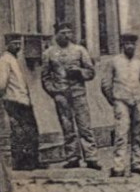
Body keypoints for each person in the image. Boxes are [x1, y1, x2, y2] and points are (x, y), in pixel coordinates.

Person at [40, 24, 101, 170]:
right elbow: (45, 77)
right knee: (67, 127)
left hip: (78, 93)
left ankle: (91, 157)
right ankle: (72, 157)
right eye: (63, 33)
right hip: (61, 94)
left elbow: (91, 72)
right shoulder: (49, 53)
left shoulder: (79, 50)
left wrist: (80, 71)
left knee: (84, 125)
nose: (66, 36)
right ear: (56, 34)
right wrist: (54, 93)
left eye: (69, 32)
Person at [98, 33, 140, 177]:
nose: (130, 46)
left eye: (132, 44)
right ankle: (118, 165)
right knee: (121, 132)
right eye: (127, 44)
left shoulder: (139, 63)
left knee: (139, 133)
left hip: (138, 100)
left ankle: (137, 163)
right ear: (122, 45)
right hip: (121, 101)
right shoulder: (114, 62)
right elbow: (106, 84)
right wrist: (114, 100)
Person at [0, 33, 39, 171]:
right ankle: (21, 163)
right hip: (14, 100)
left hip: (23, 100)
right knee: (19, 133)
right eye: (15, 43)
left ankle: (31, 162)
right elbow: (2, 83)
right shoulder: (4, 60)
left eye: (19, 43)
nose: (18, 46)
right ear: (8, 45)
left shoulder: (15, 59)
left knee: (30, 132)